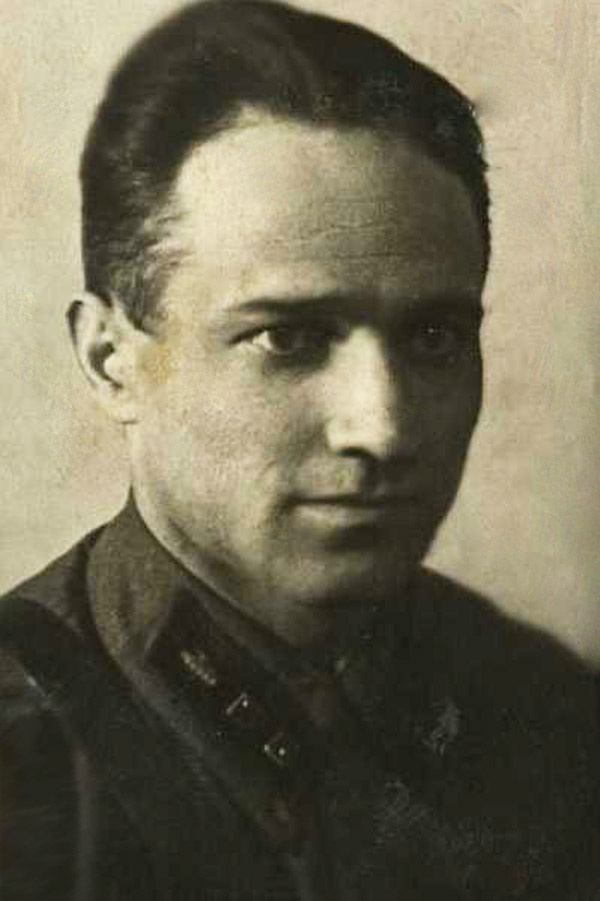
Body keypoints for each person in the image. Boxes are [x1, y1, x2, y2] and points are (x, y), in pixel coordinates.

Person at [0, 1, 598, 898]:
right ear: (110, 361)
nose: (383, 427)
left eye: (434, 336)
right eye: (288, 337)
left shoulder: (547, 707)